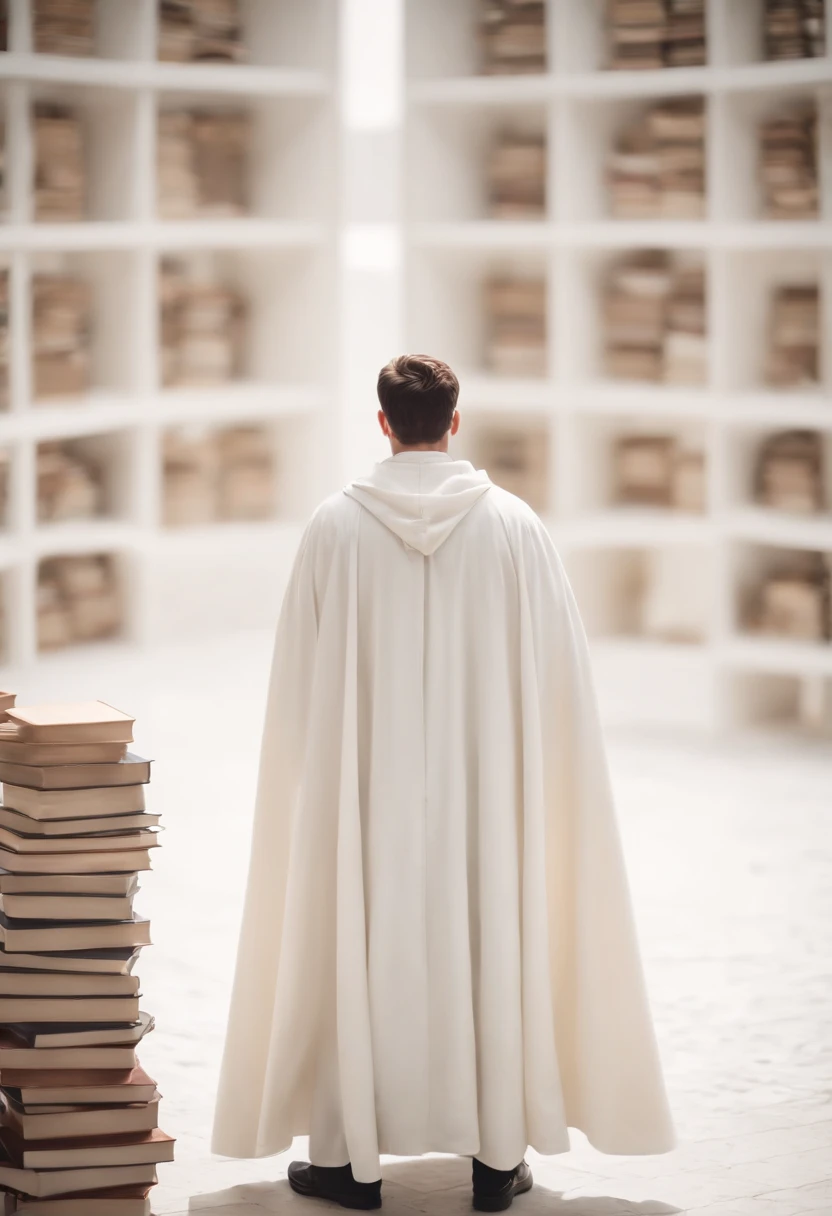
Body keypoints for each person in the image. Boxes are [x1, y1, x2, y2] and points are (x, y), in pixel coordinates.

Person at [212, 354, 674, 1211]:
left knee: (361, 934)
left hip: (368, 791)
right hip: (484, 792)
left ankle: (352, 1169)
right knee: (488, 926)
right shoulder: (515, 527)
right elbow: (558, 677)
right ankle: (496, 1163)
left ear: (382, 423)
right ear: (454, 422)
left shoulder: (332, 529)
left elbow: (300, 682)